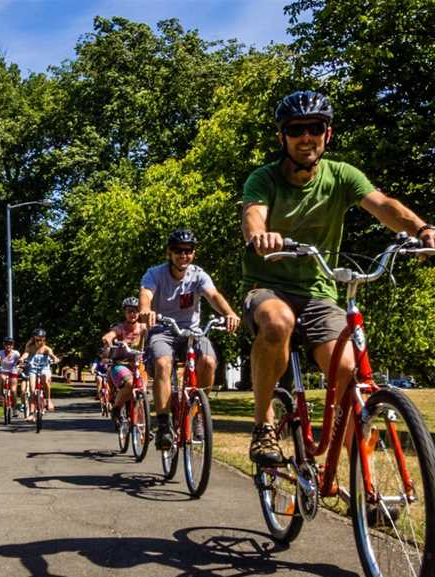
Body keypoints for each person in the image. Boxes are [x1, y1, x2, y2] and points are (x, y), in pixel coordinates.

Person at [241, 90, 435, 466]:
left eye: (314, 128)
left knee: (348, 369)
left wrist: (422, 229)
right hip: (269, 288)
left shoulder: (342, 175)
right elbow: (253, 215)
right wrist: (260, 237)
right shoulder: (263, 178)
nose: (305, 137)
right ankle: (263, 423)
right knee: (277, 322)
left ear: (327, 134)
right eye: (296, 129)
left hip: (319, 291)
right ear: (282, 137)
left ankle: (364, 485)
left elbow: (383, 206)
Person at [139, 229, 241, 450]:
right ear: (169, 252)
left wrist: (229, 314)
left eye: (188, 251)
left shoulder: (198, 275)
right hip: (163, 330)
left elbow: (213, 295)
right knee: (162, 364)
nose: (183, 255)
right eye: (178, 251)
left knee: (209, 362)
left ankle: (197, 411)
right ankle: (164, 425)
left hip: (191, 332)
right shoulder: (155, 274)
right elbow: (146, 294)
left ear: (193, 253)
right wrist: (146, 310)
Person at [101, 297, 149, 421]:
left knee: (141, 389)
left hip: (139, 364)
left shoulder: (143, 328)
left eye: (135, 311)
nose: (132, 314)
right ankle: (116, 408)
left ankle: (142, 426)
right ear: (125, 312)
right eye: (129, 311)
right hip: (120, 364)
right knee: (129, 383)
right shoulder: (120, 328)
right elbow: (110, 335)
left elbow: (152, 333)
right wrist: (108, 339)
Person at [21, 328, 60, 420]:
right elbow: (25, 354)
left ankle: (48, 400)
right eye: (38, 340)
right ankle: (31, 413)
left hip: (44, 369)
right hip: (33, 369)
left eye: (42, 339)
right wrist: (22, 358)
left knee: (45, 379)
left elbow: (51, 354)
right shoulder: (30, 347)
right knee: (32, 390)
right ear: (34, 339)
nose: (40, 342)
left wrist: (55, 358)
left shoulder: (46, 348)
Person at [0, 336, 20, 404]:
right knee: (1, 378)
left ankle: (14, 409)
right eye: (6, 344)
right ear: (4, 345)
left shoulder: (16, 353)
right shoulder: (1, 352)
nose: (8, 346)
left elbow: (20, 361)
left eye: (10, 344)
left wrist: (20, 365)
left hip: (13, 372)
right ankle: (0, 395)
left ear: (13, 345)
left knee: (13, 390)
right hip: (3, 371)